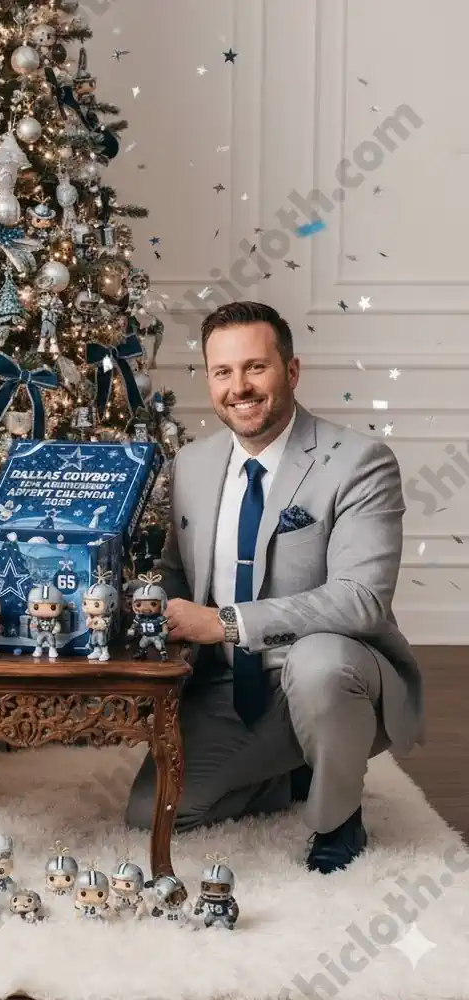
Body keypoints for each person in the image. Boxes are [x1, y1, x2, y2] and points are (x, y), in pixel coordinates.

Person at [125, 301, 424, 874]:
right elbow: (178, 573)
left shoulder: (360, 462)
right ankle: (296, 766)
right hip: (226, 684)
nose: (239, 387)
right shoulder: (191, 464)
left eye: (255, 368)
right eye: (222, 372)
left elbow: (361, 599)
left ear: (291, 370)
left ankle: (338, 816)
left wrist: (227, 622)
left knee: (318, 664)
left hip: (327, 670)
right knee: (153, 814)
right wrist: (146, 598)